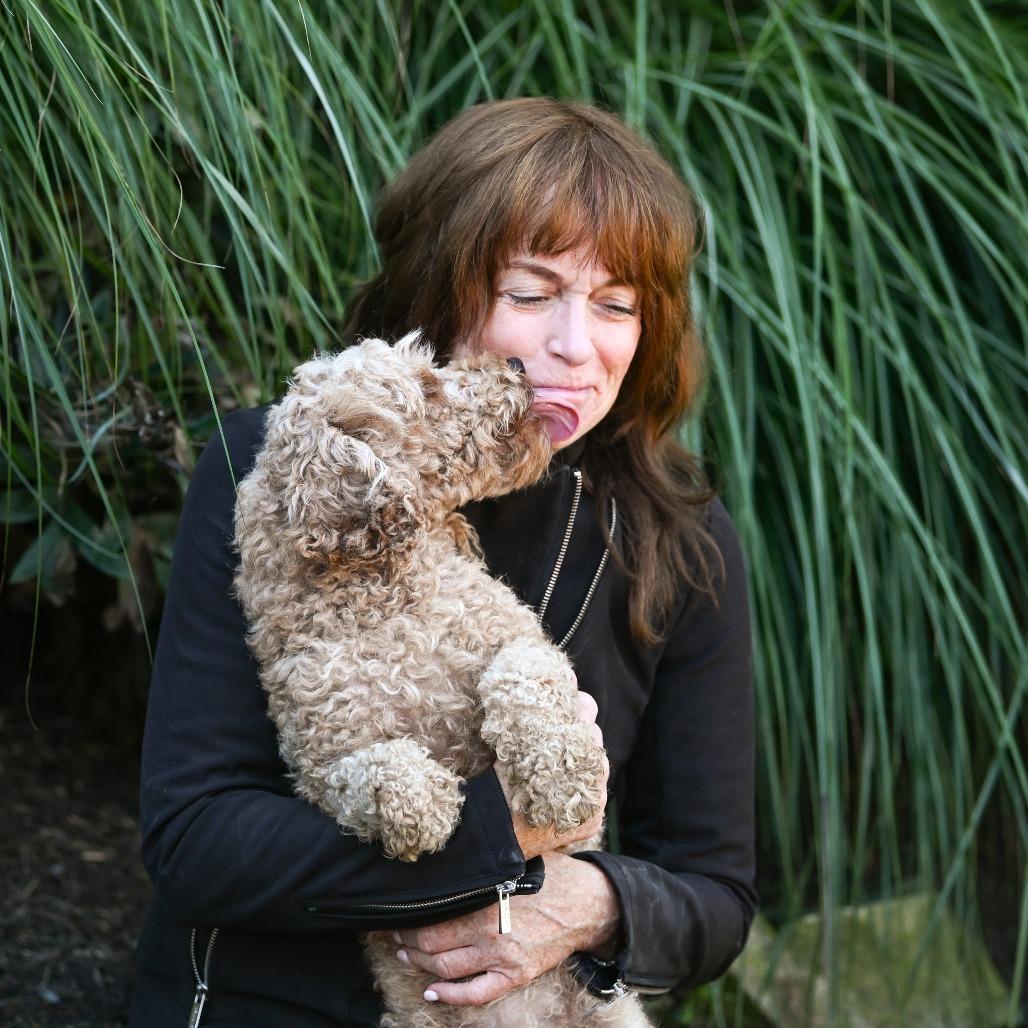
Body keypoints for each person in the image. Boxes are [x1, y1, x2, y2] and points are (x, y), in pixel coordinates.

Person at [128, 97, 756, 1027]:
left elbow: (714, 899)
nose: (576, 347)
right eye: (532, 293)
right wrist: (495, 839)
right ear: (439, 283)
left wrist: (590, 906)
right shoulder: (282, 469)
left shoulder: (680, 539)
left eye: (617, 304)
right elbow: (196, 842)